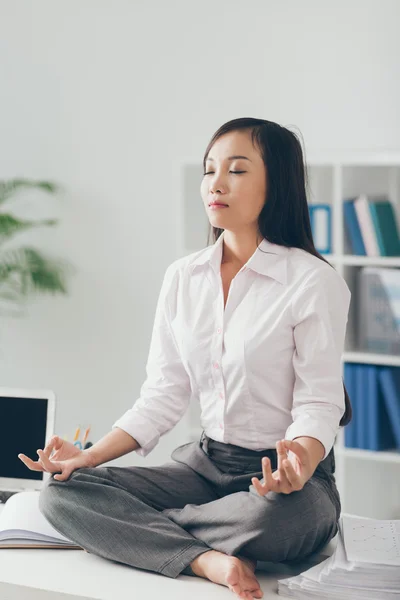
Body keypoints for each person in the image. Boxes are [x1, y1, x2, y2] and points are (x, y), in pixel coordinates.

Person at [19, 117, 352, 600]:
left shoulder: (312, 283)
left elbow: (320, 404)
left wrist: (299, 461)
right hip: (204, 467)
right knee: (62, 493)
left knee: (283, 517)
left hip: (283, 482)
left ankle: (140, 534)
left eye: (236, 171)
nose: (215, 184)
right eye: (209, 170)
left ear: (275, 183)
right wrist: (88, 457)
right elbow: (163, 393)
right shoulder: (183, 277)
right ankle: (207, 559)